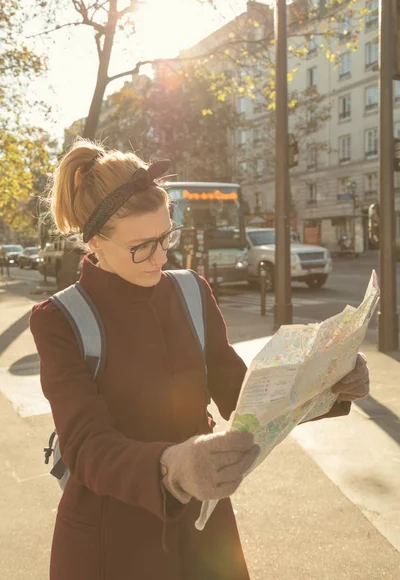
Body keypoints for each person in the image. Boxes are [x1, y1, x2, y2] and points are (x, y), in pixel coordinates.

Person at [30, 139, 370, 580]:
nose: (162, 256)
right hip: (110, 538)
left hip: (204, 530)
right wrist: (174, 467)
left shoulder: (191, 290)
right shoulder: (58, 319)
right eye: (142, 247)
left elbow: (242, 398)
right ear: (95, 241)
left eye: (166, 236)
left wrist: (326, 385)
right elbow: (86, 446)